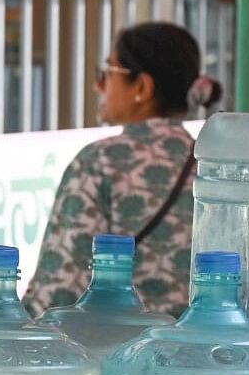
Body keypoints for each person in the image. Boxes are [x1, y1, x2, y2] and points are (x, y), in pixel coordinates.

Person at [24, 22, 222, 318]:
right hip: (202, 352)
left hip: (122, 354)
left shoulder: (100, 162)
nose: (98, 85)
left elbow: (57, 293)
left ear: (142, 87)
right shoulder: (212, 166)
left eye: (107, 72)